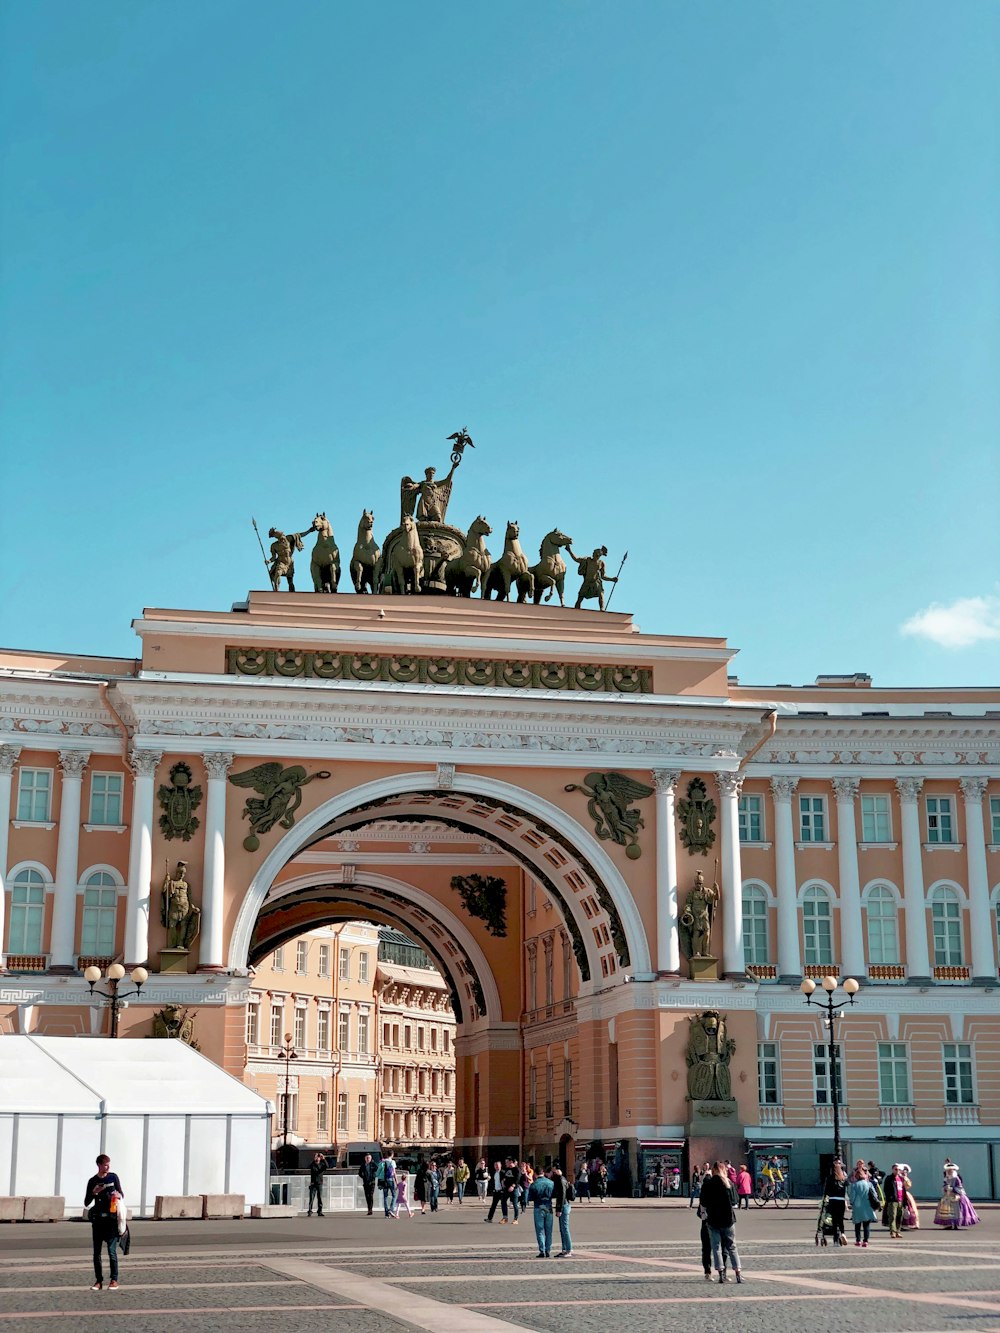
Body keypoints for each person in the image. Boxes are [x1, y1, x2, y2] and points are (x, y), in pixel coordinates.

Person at [84, 1154, 124, 1291]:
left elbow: (121, 1194)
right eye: (105, 1165)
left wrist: (117, 1195)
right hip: (98, 1221)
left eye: (109, 1164)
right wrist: (94, 1192)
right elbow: (86, 1202)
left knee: (112, 1251)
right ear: (99, 1165)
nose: (108, 1167)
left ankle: (114, 1280)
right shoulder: (92, 1181)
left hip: (111, 1220)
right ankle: (98, 1281)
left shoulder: (113, 1177)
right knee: (97, 1253)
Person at [699, 1161, 743, 1284]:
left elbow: (703, 1202)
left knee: (716, 1247)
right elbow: (735, 1201)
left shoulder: (708, 1183)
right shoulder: (729, 1183)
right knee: (732, 1247)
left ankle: (720, 1273)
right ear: (724, 1170)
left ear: (713, 1170)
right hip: (728, 1219)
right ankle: (738, 1272)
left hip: (713, 1220)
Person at [934, 1161, 979, 1230]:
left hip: (956, 1195)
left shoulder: (956, 1178)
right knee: (947, 1210)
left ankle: (955, 1224)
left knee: (956, 1210)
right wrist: (945, 1187)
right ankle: (949, 1223)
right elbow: (945, 1185)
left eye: (950, 1170)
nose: (949, 1172)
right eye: (948, 1170)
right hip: (948, 1195)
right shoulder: (947, 1178)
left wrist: (952, 1189)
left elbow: (959, 1187)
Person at [527, 1167, 555, 1258]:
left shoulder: (534, 1184)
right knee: (549, 1230)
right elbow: (554, 1195)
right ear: (543, 1173)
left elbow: (530, 1198)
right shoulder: (551, 1183)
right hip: (548, 1207)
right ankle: (548, 1250)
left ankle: (542, 1250)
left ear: (535, 1174)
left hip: (538, 1207)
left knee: (540, 1230)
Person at [847, 1165, 878, 1247]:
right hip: (867, 1205)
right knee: (866, 1225)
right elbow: (875, 1194)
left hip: (857, 1206)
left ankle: (858, 1240)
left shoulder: (854, 1185)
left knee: (857, 1224)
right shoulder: (869, 1184)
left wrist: (851, 1203)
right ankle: (865, 1241)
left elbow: (852, 1197)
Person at [824, 1159, 848, 1246]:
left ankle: (835, 1240)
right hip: (841, 1200)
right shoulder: (843, 1178)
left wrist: (826, 1198)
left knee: (834, 1221)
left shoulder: (830, 1177)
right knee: (840, 1219)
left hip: (833, 1200)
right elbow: (846, 1189)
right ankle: (842, 1233)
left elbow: (826, 1190)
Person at [552, 1166, 573, 1257]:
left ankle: (568, 1249)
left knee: (564, 1228)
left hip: (564, 1205)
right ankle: (564, 1249)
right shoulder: (562, 1179)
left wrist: (559, 1209)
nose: (553, 1172)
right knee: (562, 1229)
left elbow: (562, 1195)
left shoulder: (561, 1180)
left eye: (554, 1170)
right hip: (564, 1205)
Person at [884, 1164, 907, 1238]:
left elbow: (904, 1190)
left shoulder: (901, 1178)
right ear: (892, 1170)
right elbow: (886, 1189)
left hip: (901, 1200)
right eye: (895, 1169)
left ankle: (898, 1231)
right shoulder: (889, 1178)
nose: (897, 1171)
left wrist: (905, 1201)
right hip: (893, 1200)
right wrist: (890, 1198)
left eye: (898, 1170)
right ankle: (892, 1232)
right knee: (892, 1216)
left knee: (899, 1216)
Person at [306, 1152, 327, 1217]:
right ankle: (310, 1211)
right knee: (311, 1198)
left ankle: (319, 1211)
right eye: (317, 1157)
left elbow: (327, 1166)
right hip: (313, 1183)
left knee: (320, 1198)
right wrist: (314, 1160)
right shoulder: (313, 1165)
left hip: (319, 1183)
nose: (318, 1158)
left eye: (318, 1157)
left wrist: (323, 1159)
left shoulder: (322, 1165)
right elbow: (309, 1167)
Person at [380, 1151, 397, 1218]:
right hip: (390, 1180)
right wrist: (396, 1181)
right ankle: (391, 1209)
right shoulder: (392, 1162)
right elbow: (394, 1172)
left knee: (385, 1196)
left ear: (387, 1154)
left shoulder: (383, 1161)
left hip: (384, 1180)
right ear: (392, 1155)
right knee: (394, 1195)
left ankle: (386, 1214)